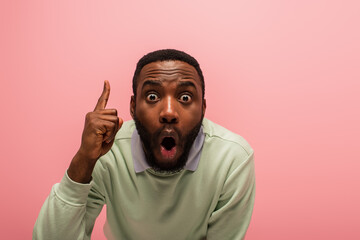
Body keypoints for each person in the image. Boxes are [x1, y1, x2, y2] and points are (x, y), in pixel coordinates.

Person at [33, 49, 255, 240]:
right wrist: (84, 159)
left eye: (185, 97)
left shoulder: (232, 158)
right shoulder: (108, 151)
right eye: (152, 96)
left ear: (203, 108)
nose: (168, 112)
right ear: (133, 107)